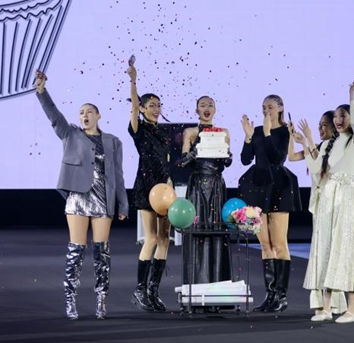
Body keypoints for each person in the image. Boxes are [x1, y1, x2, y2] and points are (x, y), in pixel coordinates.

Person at [34, 70, 128, 320]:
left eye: (89, 112)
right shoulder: (71, 134)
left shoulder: (113, 142)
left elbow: (118, 176)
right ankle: (70, 300)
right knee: (76, 250)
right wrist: (42, 91)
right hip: (77, 198)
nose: (84, 115)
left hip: (103, 200)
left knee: (102, 253)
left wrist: (123, 205)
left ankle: (101, 300)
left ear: (98, 115)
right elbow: (54, 116)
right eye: (81, 112)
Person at [302, 72, 354, 324]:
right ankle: (326, 307)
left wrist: (352, 93)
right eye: (335, 116)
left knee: (346, 248)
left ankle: (352, 310)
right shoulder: (329, 144)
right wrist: (306, 142)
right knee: (326, 248)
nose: (338, 119)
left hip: (345, 196)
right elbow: (316, 170)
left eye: (342, 115)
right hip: (327, 198)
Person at [238, 95, 301, 313]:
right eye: (264, 107)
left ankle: (281, 296)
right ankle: (270, 294)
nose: (266, 111)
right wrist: (248, 137)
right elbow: (245, 159)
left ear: (281, 108)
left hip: (279, 187)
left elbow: (277, 157)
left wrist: (266, 133)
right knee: (265, 244)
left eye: (271, 107)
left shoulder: (285, 131)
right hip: (258, 186)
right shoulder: (256, 131)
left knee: (279, 243)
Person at [126, 65, 172, 312]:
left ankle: (154, 291)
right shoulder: (138, 129)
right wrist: (134, 81)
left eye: (158, 105)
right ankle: (140, 289)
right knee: (151, 237)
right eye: (151, 105)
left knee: (164, 239)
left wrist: (170, 185)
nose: (156, 109)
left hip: (165, 189)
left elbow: (165, 161)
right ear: (142, 109)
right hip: (146, 187)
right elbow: (133, 107)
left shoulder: (163, 133)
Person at [292, 112, 348, 317]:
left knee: (329, 251)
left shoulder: (335, 147)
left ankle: (331, 304)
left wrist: (307, 139)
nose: (321, 128)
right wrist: (297, 138)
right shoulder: (323, 146)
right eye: (319, 125)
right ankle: (324, 303)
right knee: (320, 251)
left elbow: (318, 168)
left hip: (331, 202)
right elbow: (293, 157)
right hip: (321, 203)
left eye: (325, 125)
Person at [179, 96, 232, 289]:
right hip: (198, 187)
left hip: (216, 186)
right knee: (197, 230)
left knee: (217, 231)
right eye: (203, 105)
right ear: (197, 110)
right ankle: (196, 286)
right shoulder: (190, 132)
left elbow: (227, 162)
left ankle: (218, 286)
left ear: (215, 110)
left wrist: (228, 156)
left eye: (210, 105)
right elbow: (181, 162)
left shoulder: (224, 132)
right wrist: (193, 153)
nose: (207, 108)